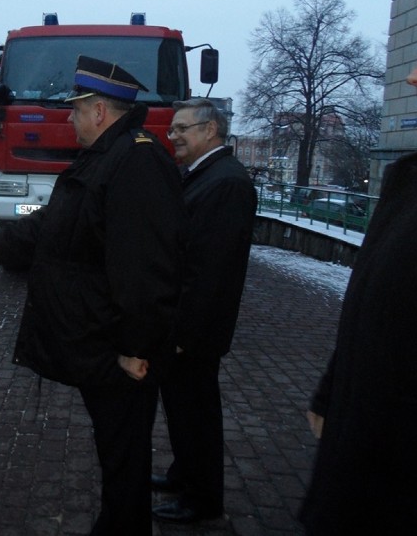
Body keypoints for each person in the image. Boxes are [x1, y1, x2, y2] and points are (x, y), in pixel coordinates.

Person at [0, 55, 185, 535]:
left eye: (75, 110)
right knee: (116, 452)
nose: (68, 119)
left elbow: (147, 270)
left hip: (121, 352)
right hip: (104, 342)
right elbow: (56, 227)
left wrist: (135, 348)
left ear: (99, 112)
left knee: (124, 455)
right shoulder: (108, 157)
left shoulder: (135, 160)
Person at [299, 19, 417, 534]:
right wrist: (334, 391)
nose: (413, 77)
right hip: (363, 445)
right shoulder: (416, 175)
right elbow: (373, 307)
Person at [150, 98, 257, 524]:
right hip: (187, 325)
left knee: (196, 414)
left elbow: (211, 271)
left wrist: (182, 334)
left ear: (210, 130)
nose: (172, 135)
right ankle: (184, 475)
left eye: (181, 129)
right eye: (172, 128)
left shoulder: (227, 183)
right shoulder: (207, 175)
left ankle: (202, 499)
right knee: (183, 409)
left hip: (193, 331)